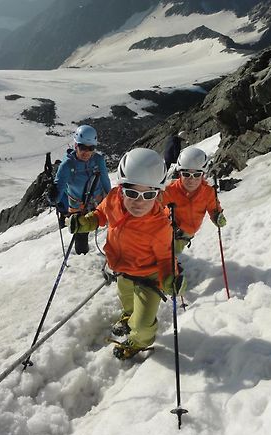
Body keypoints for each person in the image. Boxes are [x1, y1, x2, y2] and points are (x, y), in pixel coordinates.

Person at [67, 148, 187, 360]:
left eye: (148, 195)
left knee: (143, 324)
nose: (139, 202)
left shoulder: (159, 226)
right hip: (122, 270)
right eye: (132, 193)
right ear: (121, 189)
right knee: (127, 300)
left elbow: (167, 259)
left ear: (158, 194)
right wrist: (87, 222)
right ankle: (128, 315)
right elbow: (101, 213)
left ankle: (140, 341)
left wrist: (173, 280)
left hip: (149, 278)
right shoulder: (114, 198)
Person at [48, 125, 111, 255]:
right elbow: (57, 193)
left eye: (91, 148)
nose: (86, 152)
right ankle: (83, 260)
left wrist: (111, 203)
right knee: (81, 238)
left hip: (98, 204)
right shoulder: (67, 165)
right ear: (75, 145)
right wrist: (52, 195)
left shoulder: (99, 160)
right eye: (83, 147)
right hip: (78, 208)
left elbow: (106, 183)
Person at [161, 147, 227, 253]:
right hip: (168, 228)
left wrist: (217, 216)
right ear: (179, 174)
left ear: (203, 174)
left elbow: (213, 207)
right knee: (166, 253)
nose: (191, 180)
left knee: (174, 252)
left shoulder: (208, 192)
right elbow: (153, 205)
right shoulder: (171, 190)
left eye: (196, 175)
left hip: (186, 233)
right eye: (186, 174)